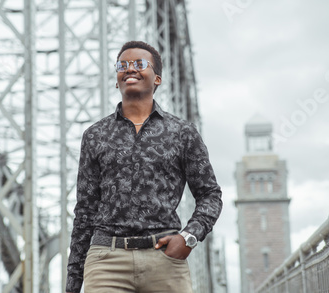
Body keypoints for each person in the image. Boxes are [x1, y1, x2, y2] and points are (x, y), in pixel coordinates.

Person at [65, 41, 222, 293]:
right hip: (107, 261)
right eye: (122, 65)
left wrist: (189, 237)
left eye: (139, 64)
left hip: (165, 260)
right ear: (116, 80)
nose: (130, 69)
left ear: (157, 78)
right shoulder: (94, 135)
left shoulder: (182, 133)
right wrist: (72, 284)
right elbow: (85, 211)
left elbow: (210, 195)